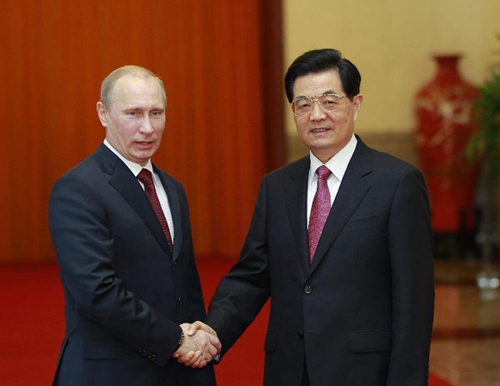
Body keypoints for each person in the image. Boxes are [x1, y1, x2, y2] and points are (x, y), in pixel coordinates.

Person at [182, 49, 435, 385]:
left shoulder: (397, 183)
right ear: (293, 111)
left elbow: (414, 300)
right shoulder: (277, 186)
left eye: (330, 101)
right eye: (303, 104)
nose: (316, 115)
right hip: (289, 370)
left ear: (356, 104)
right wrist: (212, 331)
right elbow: (251, 275)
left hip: (363, 373)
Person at [49, 65, 220, 385]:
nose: (147, 128)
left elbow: (186, 285)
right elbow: (97, 292)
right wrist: (176, 340)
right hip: (110, 373)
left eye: (156, 113)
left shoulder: (172, 189)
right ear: (103, 113)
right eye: (133, 114)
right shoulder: (78, 188)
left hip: (179, 371)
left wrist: (200, 343)